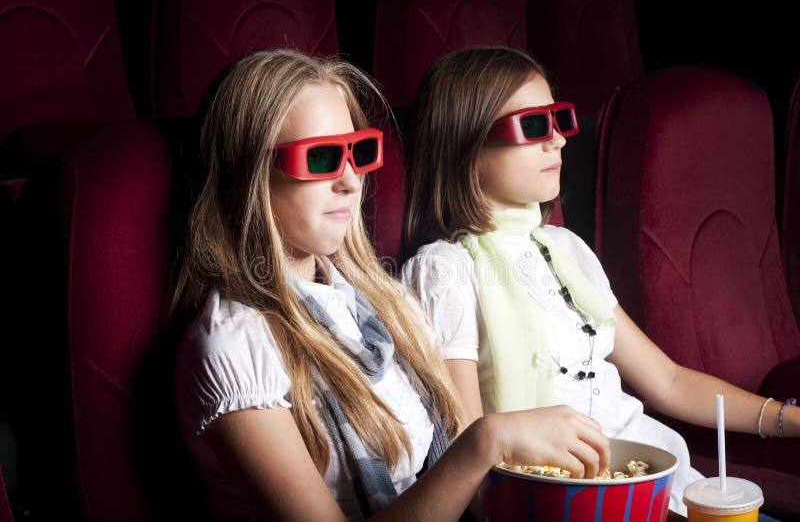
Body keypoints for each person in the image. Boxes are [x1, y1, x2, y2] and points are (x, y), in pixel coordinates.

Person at [169, 48, 611, 521]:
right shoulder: (234, 345)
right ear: (249, 176)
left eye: (357, 153)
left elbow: (468, 490)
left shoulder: (386, 302)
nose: (350, 181)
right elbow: (469, 456)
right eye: (319, 158)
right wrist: (487, 441)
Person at [400, 46, 800, 516]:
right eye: (533, 126)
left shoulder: (566, 248)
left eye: (559, 120)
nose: (558, 141)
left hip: (663, 480)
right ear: (465, 143)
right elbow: (466, 449)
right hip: (571, 499)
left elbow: (667, 381)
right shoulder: (444, 269)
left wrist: (787, 419)